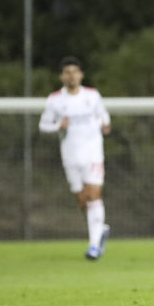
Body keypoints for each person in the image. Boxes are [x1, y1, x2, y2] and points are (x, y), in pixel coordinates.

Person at [39, 56, 112, 260]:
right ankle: (101, 230)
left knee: (93, 195)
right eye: (67, 72)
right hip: (71, 156)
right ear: (62, 76)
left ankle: (94, 246)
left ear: (81, 75)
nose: (71, 76)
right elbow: (43, 125)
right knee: (82, 201)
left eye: (75, 72)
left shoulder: (92, 95)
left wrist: (106, 124)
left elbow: (103, 115)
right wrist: (57, 126)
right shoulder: (55, 100)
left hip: (93, 154)